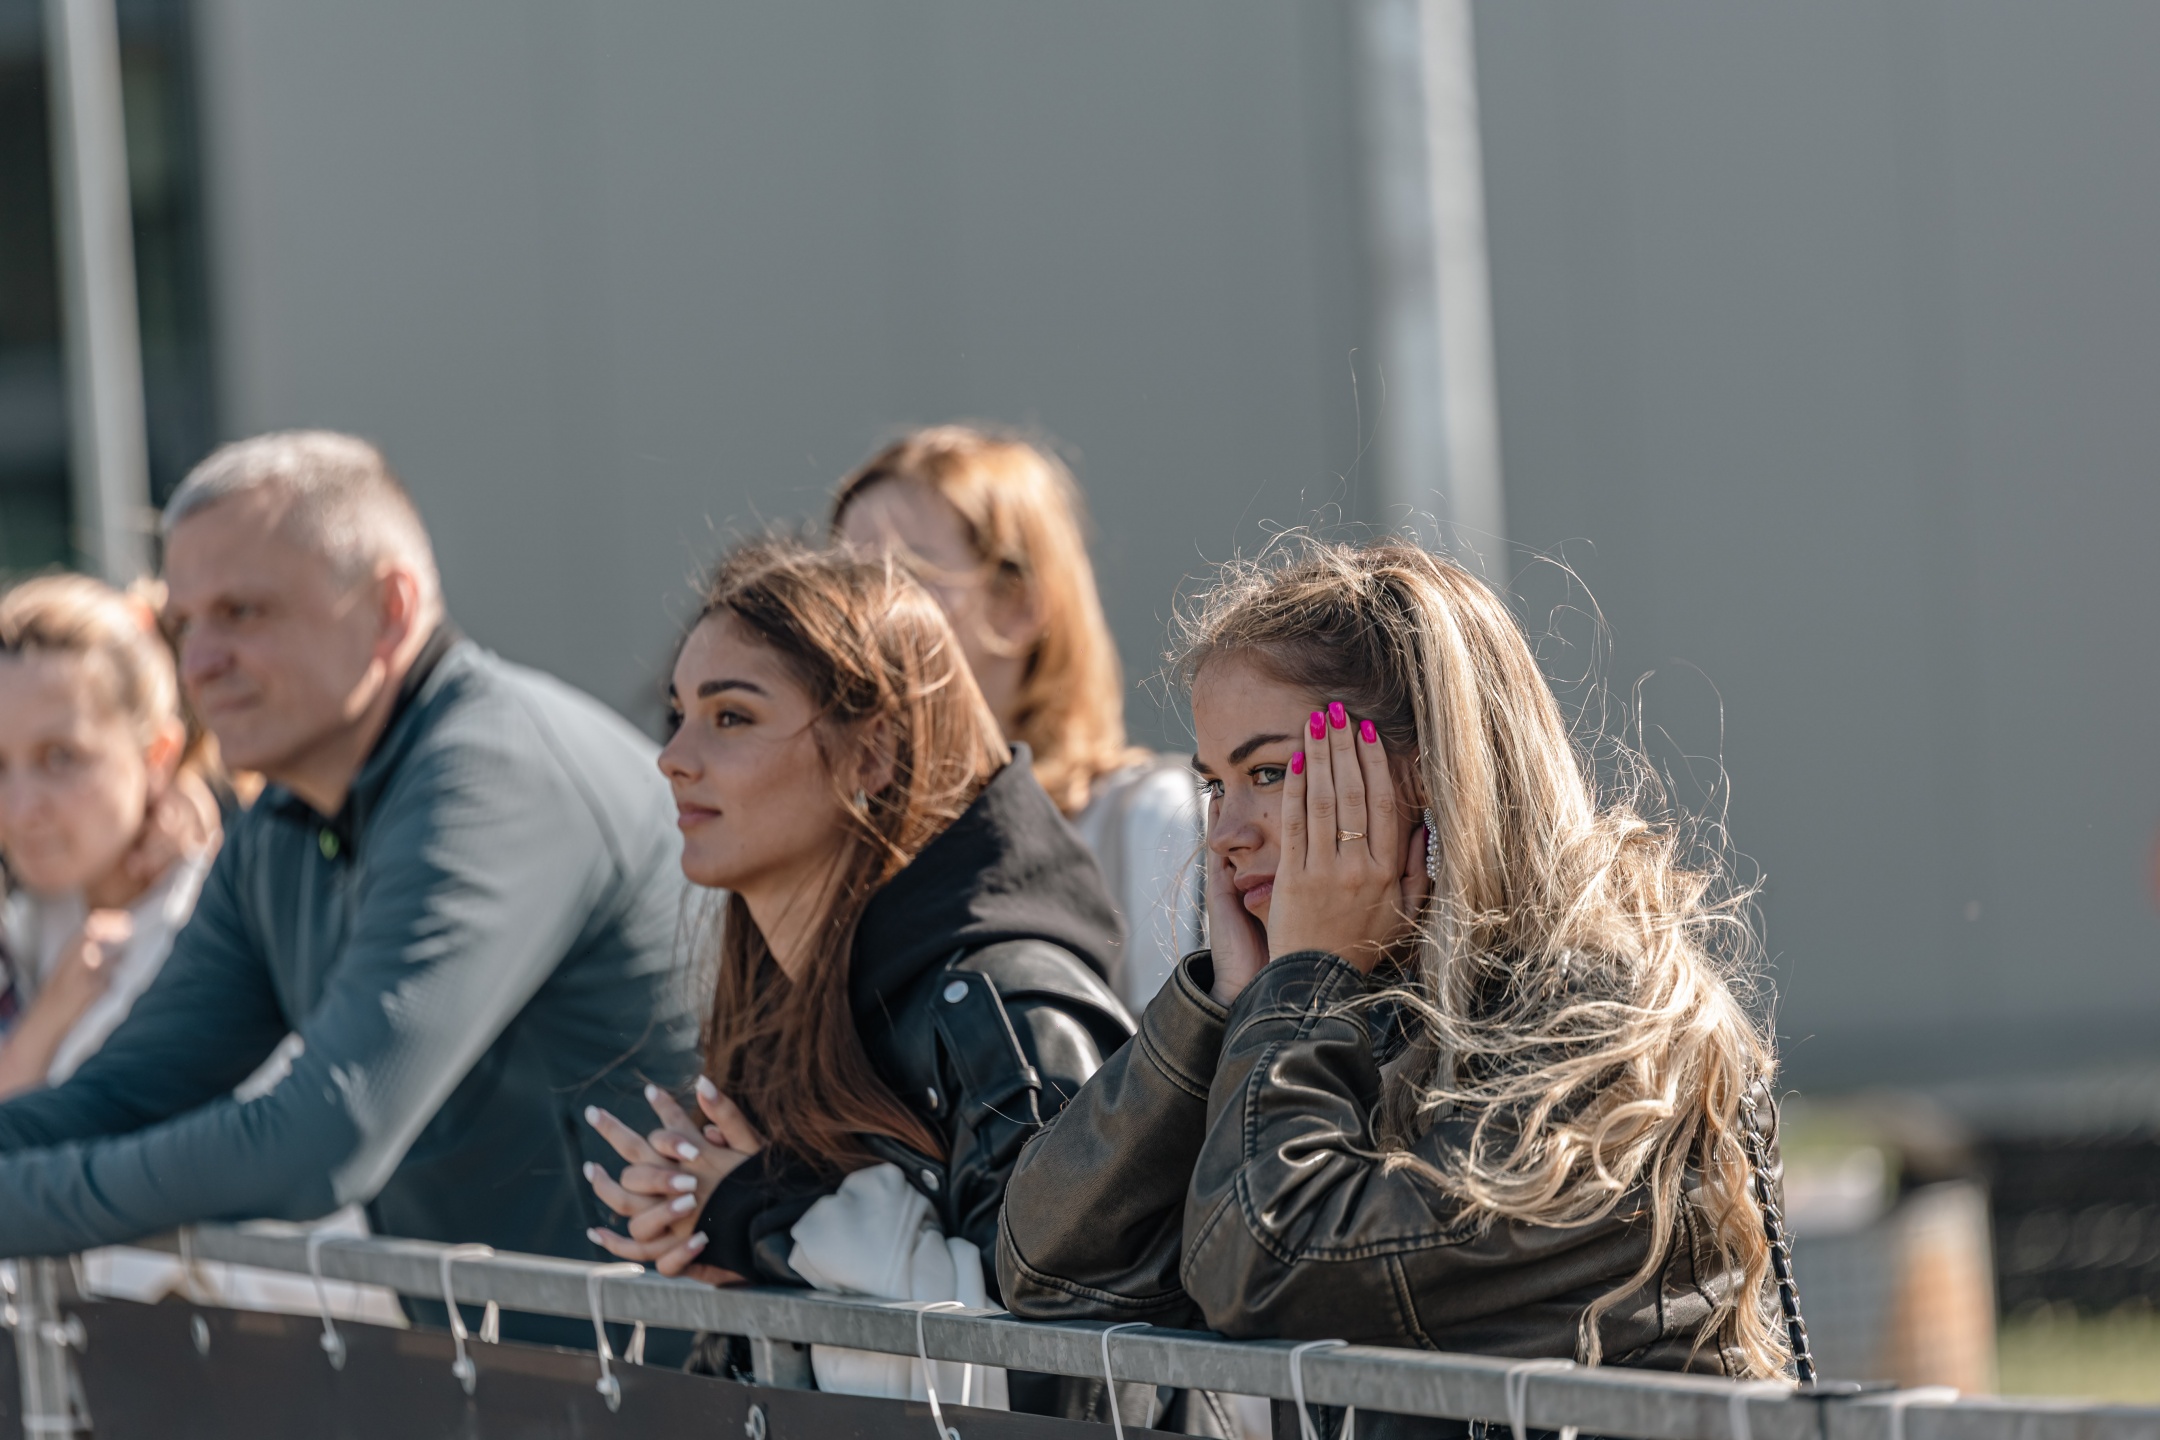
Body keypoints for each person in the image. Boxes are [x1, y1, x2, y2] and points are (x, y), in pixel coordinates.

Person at [997, 541, 1790, 1428]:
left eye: (1268, 773)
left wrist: (1299, 986)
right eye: (1214, 784)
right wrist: (1223, 1002)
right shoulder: (1344, 1002)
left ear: (1429, 774)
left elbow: (1268, 1268)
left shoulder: (1598, 1022)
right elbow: (1051, 1267)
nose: (1223, 833)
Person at [0, 431, 699, 1349]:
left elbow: (322, 1140)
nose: (198, 662)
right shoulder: (286, 821)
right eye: (184, 625)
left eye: (243, 612)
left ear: (389, 611)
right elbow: (130, 1093)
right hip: (533, 1375)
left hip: (694, 1381)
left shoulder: (490, 776)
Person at [581, 540, 1131, 1410]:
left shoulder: (1003, 1006)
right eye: (678, 713)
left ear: (872, 754)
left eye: (731, 717)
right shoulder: (781, 991)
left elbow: (1066, 1376)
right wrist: (703, 1220)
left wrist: (765, 1215)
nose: (673, 757)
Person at [832, 426, 1202, 1014]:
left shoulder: (1146, 819)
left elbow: (1193, 1059)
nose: (859, 615)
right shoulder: (840, 839)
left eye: (904, 575)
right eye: (840, 585)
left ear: (1020, 605)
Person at [0, 574, 220, 1099]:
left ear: (157, 757)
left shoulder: (211, 938)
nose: (19, 809)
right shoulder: (36, 912)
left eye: (61, 758)